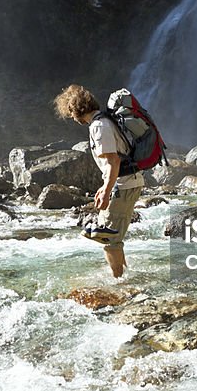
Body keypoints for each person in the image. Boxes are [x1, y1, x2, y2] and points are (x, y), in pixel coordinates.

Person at [53, 84, 145, 278]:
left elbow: (114, 160)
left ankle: (120, 282)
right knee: (110, 237)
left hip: (123, 186)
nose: (71, 117)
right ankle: (125, 277)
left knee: (109, 239)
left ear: (76, 110)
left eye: (70, 113)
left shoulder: (99, 126)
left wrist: (106, 190)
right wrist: (105, 186)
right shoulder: (103, 121)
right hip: (125, 184)